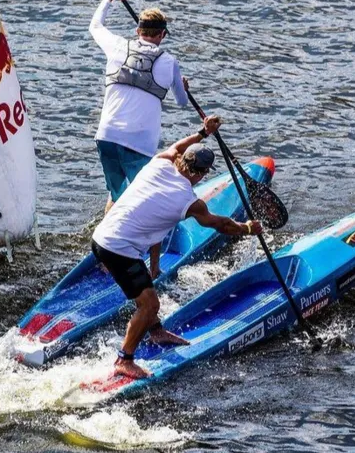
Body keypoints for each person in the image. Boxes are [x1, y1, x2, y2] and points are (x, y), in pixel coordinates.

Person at [91, 115, 263, 379]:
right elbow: (222, 226)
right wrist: (248, 228)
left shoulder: (160, 162)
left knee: (147, 290)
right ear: (203, 173)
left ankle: (156, 331)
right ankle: (124, 359)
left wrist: (203, 133)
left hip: (103, 237)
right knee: (149, 305)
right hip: (118, 248)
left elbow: (177, 147)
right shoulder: (189, 201)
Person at [90, 0, 189, 213]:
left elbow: (95, 26)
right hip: (139, 144)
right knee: (143, 199)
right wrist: (184, 86)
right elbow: (182, 102)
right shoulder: (169, 62)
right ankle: (141, 244)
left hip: (107, 136)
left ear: (137, 32)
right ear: (162, 35)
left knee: (116, 196)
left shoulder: (117, 45)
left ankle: (106, 239)